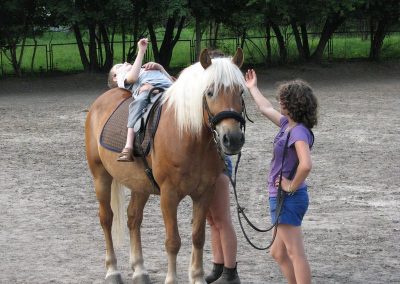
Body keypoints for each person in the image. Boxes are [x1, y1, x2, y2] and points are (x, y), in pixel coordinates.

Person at [245, 69, 318, 284]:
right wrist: (253, 88)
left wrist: (290, 186)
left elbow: (306, 164)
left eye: (282, 100)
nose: (279, 103)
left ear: (292, 104)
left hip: (288, 198)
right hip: (283, 198)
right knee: (278, 253)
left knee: (295, 253)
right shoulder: (288, 125)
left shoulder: (298, 132)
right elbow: (264, 107)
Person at [205, 49, 240, 284]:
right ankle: (218, 265)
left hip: (218, 164)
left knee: (222, 218)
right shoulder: (208, 90)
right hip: (206, 165)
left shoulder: (224, 91)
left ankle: (231, 271)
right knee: (212, 219)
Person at [107, 38, 174, 161]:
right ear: (116, 78)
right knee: (138, 103)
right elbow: (133, 78)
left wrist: (160, 68)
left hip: (169, 88)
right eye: (120, 66)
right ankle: (128, 146)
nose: (126, 62)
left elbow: (171, 81)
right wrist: (141, 51)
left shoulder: (144, 69)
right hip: (149, 92)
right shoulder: (124, 77)